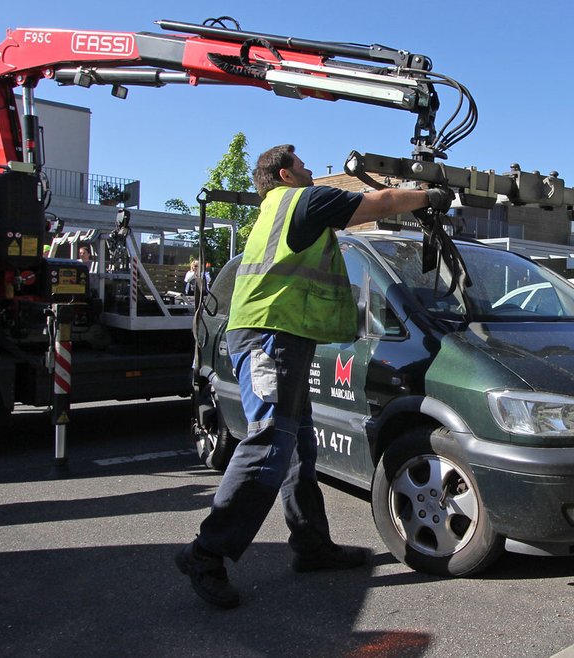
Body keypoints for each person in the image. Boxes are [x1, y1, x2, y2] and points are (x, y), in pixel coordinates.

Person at [176, 144, 454, 609]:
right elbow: (381, 204)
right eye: (304, 166)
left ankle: (312, 546)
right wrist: (428, 196)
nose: (311, 172)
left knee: (297, 447)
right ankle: (206, 553)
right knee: (268, 446)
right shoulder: (300, 201)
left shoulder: (275, 210)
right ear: (285, 173)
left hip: (280, 336)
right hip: (270, 337)